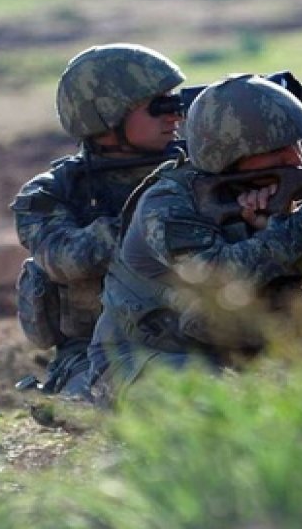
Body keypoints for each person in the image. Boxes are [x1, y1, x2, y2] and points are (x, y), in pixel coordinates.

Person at [88, 73, 302, 400]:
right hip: (153, 357)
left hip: (260, 348)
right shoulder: (170, 203)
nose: (293, 158)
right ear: (227, 158)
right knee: (220, 404)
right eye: (275, 152)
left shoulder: (294, 182)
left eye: (294, 143)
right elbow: (218, 281)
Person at [10, 43, 186, 399]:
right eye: (160, 105)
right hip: (97, 353)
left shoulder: (197, 172)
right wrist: (155, 217)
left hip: (201, 335)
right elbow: (65, 259)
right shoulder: (54, 193)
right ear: (109, 114)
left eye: (176, 102)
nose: (175, 116)